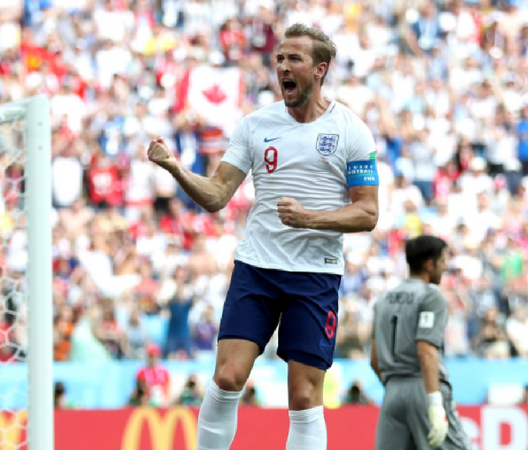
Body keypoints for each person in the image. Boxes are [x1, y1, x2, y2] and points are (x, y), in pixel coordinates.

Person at [147, 23, 379, 450]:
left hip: (315, 274)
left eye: (295, 59)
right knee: (227, 375)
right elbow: (217, 194)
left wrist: (309, 218)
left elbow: (368, 212)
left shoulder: (352, 131)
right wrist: (176, 168)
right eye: (280, 59)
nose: (283, 67)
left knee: (304, 395)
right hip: (257, 268)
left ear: (320, 69)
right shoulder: (255, 126)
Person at [370, 235, 469, 450]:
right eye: (443, 260)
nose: (445, 267)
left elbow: (374, 359)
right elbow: (426, 352)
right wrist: (434, 403)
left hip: (392, 391)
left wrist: (396, 388)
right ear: (429, 264)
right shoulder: (430, 297)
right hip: (424, 387)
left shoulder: (383, 300)